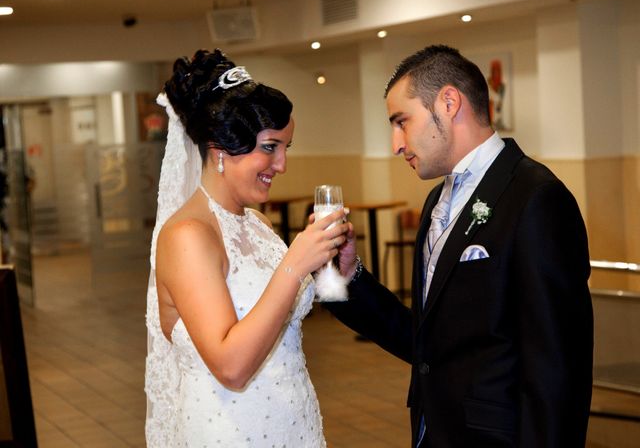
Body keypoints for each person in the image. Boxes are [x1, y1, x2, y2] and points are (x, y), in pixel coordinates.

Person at [327, 45, 593, 447]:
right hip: (434, 431)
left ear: (449, 102)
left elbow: (558, 368)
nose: (396, 143)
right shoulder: (437, 201)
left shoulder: (535, 198)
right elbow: (426, 341)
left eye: (402, 121)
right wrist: (345, 278)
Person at [144, 49, 348, 447]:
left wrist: (336, 268)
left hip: (293, 419)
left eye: (286, 147)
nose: (282, 164)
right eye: (270, 147)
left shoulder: (257, 224)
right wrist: (294, 264)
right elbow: (231, 367)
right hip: (231, 431)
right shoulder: (187, 235)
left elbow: (297, 315)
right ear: (221, 149)